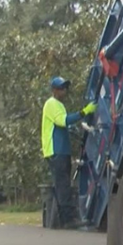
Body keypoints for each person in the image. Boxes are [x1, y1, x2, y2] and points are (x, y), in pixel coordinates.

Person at [42, 76, 96, 228]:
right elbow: (62, 121)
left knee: (62, 184)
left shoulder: (58, 105)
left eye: (65, 87)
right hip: (55, 150)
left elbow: (62, 124)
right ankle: (68, 220)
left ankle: (61, 220)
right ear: (54, 90)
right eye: (60, 88)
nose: (63, 90)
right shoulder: (51, 103)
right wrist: (83, 112)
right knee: (63, 185)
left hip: (61, 150)